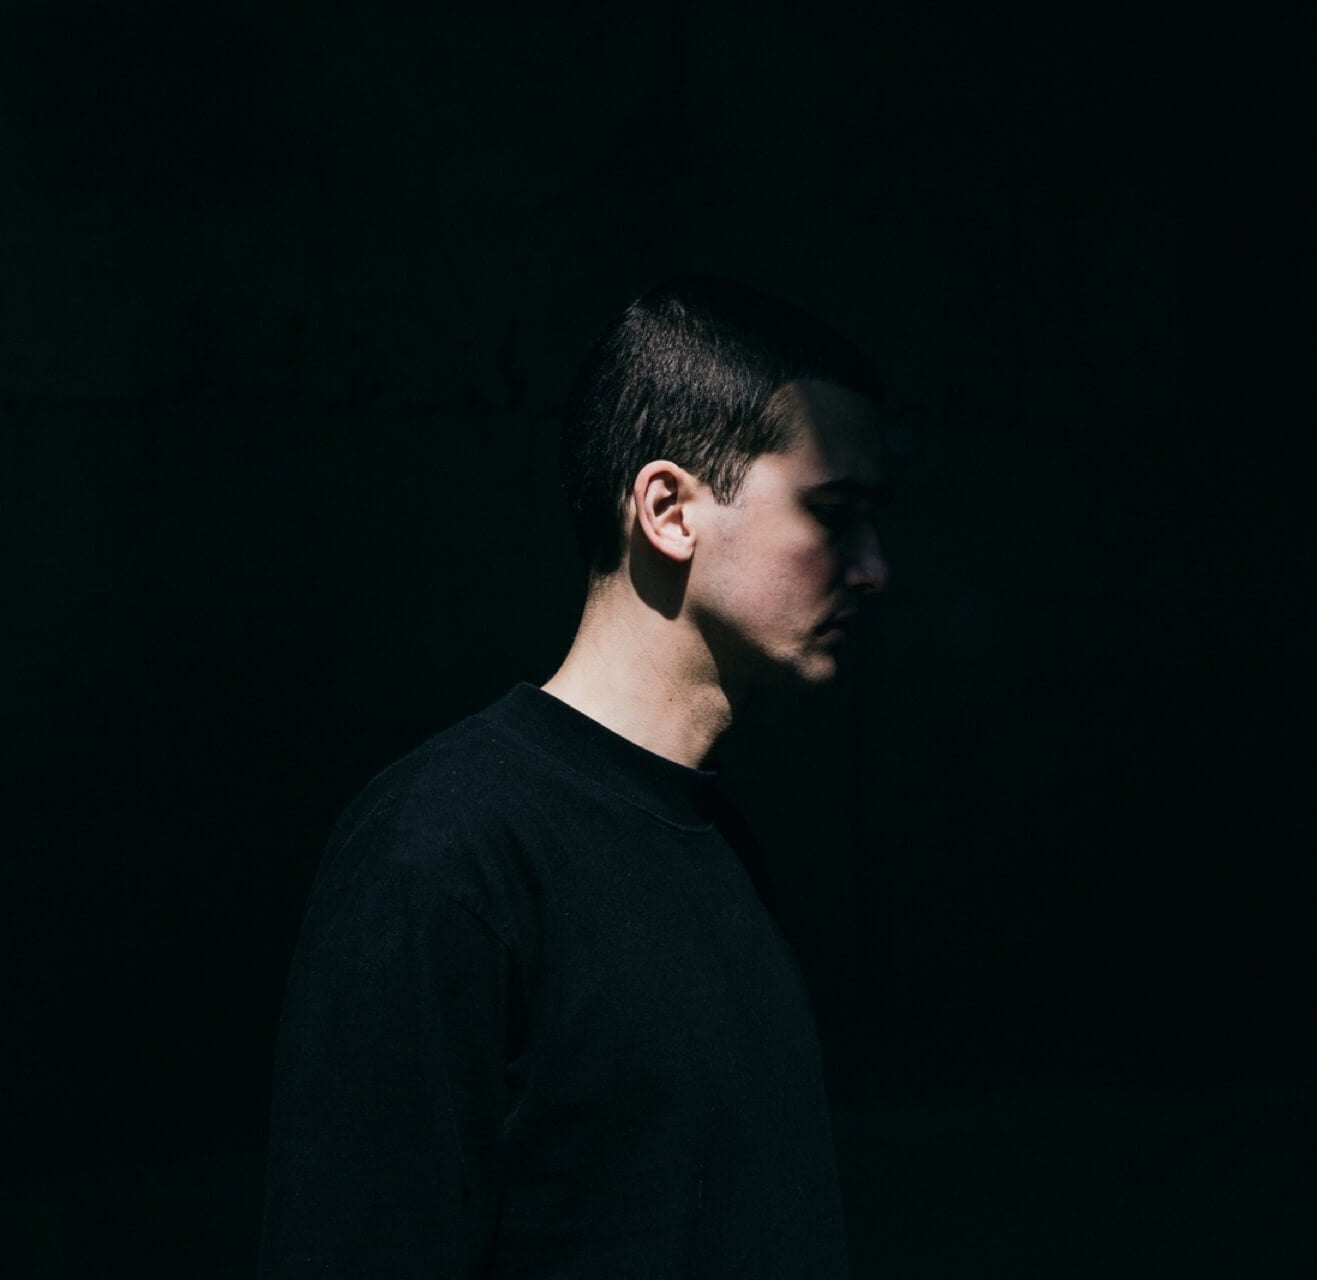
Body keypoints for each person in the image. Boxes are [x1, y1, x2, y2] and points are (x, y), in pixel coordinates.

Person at [259, 276, 891, 1277]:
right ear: (668, 510)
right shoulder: (441, 854)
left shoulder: (718, 841)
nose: (872, 568)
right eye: (833, 512)